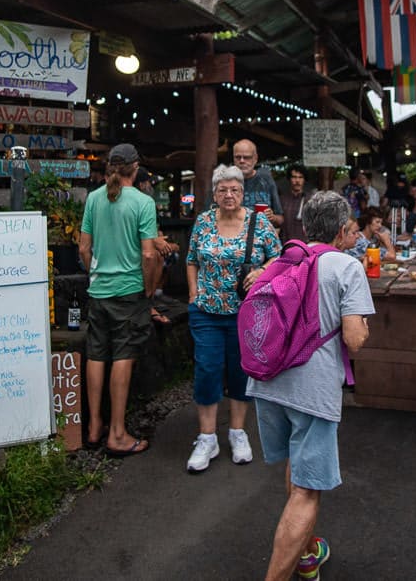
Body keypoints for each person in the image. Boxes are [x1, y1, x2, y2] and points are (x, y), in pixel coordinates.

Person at [247, 191, 373, 581]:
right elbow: (354, 339)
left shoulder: (285, 257)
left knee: (295, 466)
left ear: (306, 225)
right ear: (340, 229)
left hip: (267, 379)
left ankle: (305, 553)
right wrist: (362, 326)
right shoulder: (346, 266)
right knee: (306, 490)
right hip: (311, 389)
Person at [185, 164, 282, 472]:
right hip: (207, 311)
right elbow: (191, 260)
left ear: (243, 192)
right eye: (223, 189)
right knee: (207, 369)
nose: (229, 195)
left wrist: (262, 270)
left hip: (247, 313)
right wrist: (192, 295)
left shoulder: (259, 222)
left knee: (242, 371)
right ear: (214, 193)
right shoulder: (202, 222)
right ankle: (207, 437)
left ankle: (238, 433)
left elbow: (279, 258)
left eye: (235, 189)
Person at [78, 143, 158, 457]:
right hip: (129, 292)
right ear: (135, 168)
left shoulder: (94, 198)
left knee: (97, 354)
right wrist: (149, 289)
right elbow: (149, 254)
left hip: (98, 292)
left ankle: (94, 427)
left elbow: (85, 248)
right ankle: (118, 433)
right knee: (123, 354)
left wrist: (95, 274)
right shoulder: (143, 202)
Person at [135, 166, 181, 324]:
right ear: (142, 185)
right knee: (160, 255)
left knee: (169, 251)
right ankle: (149, 300)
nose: (150, 187)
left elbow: (155, 232)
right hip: (140, 249)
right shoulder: (144, 203)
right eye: (149, 183)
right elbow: (150, 238)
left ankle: (154, 295)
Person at [232, 138, 283, 229]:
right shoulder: (225, 182)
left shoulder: (266, 180)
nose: (242, 161)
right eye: (238, 157)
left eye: (247, 157)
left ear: (255, 159)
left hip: (260, 239)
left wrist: (273, 217)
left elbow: (281, 219)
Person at [279, 163, 310, 243]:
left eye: (300, 177)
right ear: (289, 179)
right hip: (285, 244)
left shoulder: (310, 200)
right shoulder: (282, 199)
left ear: (304, 179)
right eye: (294, 177)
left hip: (304, 245)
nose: (297, 180)